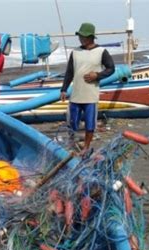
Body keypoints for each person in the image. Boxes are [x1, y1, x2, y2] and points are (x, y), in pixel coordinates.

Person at [60, 22, 115, 153]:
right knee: (72, 122)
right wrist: (63, 89)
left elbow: (111, 69)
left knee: (90, 124)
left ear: (91, 37)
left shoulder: (101, 52)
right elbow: (69, 72)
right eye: (79, 36)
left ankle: (86, 147)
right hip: (76, 95)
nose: (80, 38)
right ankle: (72, 143)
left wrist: (98, 75)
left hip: (90, 95)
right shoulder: (75, 52)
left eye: (83, 36)